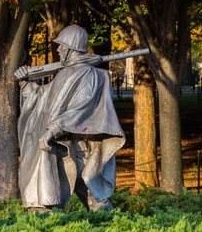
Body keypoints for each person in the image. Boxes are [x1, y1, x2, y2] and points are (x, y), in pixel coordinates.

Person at [14, 25, 125, 212]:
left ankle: (108, 229)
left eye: (61, 46)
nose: (58, 49)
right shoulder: (64, 73)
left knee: (92, 189)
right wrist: (24, 83)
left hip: (81, 142)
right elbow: (43, 98)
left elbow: (82, 106)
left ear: (71, 47)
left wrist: (54, 128)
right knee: (72, 186)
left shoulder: (89, 74)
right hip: (63, 141)